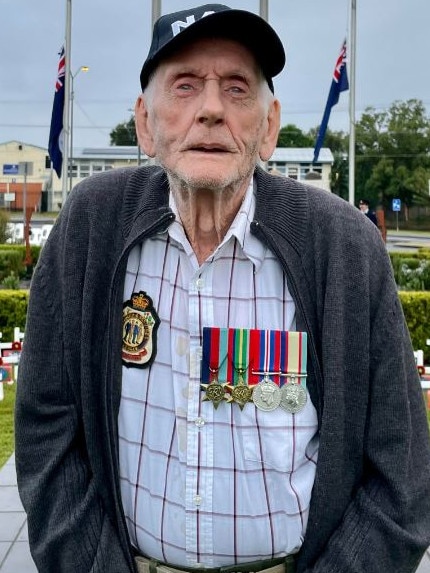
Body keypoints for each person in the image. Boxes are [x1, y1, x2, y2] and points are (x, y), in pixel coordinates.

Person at [15, 4, 430, 573]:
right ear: (144, 123)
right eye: (184, 86)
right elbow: (46, 424)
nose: (211, 110)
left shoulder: (344, 247)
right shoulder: (90, 227)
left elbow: (402, 474)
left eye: (237, 89)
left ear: (269, 125)